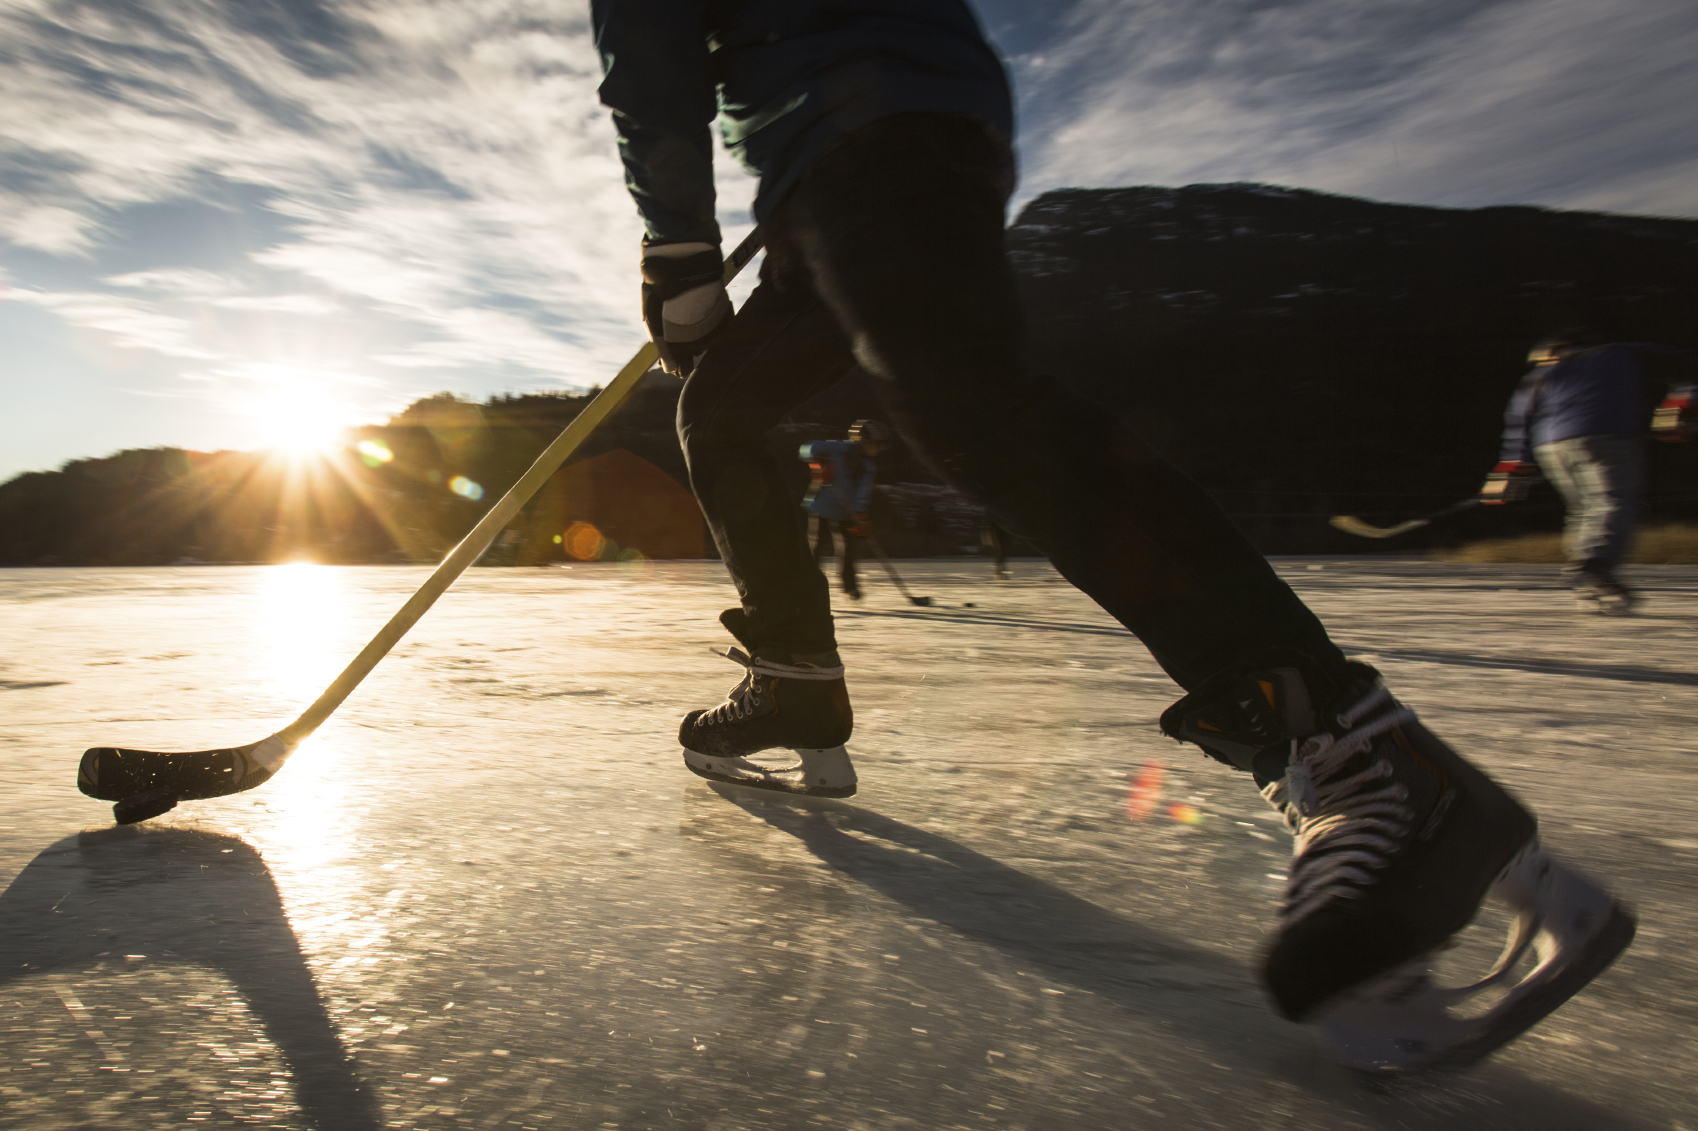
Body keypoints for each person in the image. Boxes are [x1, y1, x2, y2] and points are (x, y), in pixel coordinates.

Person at [591, 0, 1634, 1073]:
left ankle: (1361, 755)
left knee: (969, 408)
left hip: (870, 117)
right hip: (850, 138)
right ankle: (794, 677)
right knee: (720, 407)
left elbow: (646, 38)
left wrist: (677, 244)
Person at [1482, 329, 1696, 613]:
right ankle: (1596, 565)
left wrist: (1512, 466)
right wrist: (1681, 405)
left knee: (1582, 508)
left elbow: (1519, 418)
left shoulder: (1541, 374)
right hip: (1607, 438)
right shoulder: (1622, 351)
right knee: (1613, 502)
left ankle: (1587, 573)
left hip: (1551, 446)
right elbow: (1687, 364)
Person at [801, 419, 890, 599]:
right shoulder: (835, 448)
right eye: (876, 444)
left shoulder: (868, 467)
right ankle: (810, 584)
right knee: (817, 545)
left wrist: (860, 514)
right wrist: (819, 462)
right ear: (862, 439)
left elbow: (862, 492)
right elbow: (806, 449)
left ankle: (850, 586)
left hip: (846, 511)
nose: (879, 449)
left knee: (849, 548)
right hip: (822, 505)